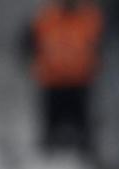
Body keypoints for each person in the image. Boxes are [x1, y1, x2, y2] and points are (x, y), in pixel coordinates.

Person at [26, 0, 103, 152]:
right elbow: (29, 42)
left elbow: (101, 43)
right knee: (52, 120)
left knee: (82, 121)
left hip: (80, 78)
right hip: (52, 79)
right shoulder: (45, 18)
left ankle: (83, 145)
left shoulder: (90, 18)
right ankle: (51, 146)